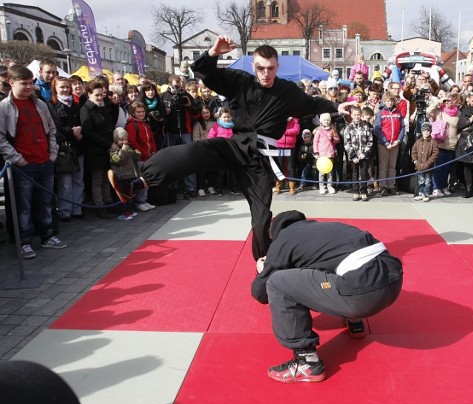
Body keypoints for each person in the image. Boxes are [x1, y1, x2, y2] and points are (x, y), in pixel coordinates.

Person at [110, 36, 337, 260]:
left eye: (270, 68)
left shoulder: (287, 91)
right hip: (235, 145)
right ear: (253, 66)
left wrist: (338, 106)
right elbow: (205, 73)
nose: (265, 73)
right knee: (193, 151)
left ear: (277, 66)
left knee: (261, 215)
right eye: (260, 68)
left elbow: (312, 104)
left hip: (259, 158)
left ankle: (263, 262)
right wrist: (213, 53)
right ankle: (136, 184)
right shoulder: (240, 81)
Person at [251, 210, 403, 383]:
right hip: (393, 281)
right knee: (325, 270)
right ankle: (355, 321)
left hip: (362, 293)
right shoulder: (324, 230)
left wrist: (262, 269)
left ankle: (307, 362)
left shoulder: (284, 238)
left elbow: (260, 292)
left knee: (277, 282)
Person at [0, 65, 67, 258]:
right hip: (22, 165)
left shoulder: (40, 104)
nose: (29, 87)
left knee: (45, 202)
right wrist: (17, 159)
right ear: (11, 83)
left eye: (31, 83)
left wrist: (52, 154)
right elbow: (1, 138)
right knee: (24, 206)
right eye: (24, 84)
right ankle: (25, 241)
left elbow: (51, 131)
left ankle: (48, 235)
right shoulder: (4, 107)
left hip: (44, 161)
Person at [47, 76, 85, 221]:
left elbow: (83, 121)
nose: (65, 90)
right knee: (65, 183)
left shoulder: (75, 105)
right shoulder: (51, 105)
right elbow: (55, 127)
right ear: (55, 88)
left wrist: (81, 131)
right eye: (61, 87)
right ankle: (65, 211)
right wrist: (71, 131)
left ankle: (77, 208)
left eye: (67, 87)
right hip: (64, 148)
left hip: (78, 146)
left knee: (78, 180)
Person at [81, 80, 116, 220]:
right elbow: (89, 132)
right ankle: (100, 206)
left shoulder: (103, 106)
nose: (100, 97)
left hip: (106, 148)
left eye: (102, 94)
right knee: (97, 180)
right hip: (95, 150)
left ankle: (108, 203)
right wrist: (109, 143)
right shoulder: (86, 109)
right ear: (89, 94)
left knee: (106, 178)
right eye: (97, 95)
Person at [125, 101, 156, 211]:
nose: (141, 114)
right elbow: (133, 143)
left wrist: (153, 151)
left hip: (148, 157)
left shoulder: (146, 124)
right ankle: (139, 202)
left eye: (143, 112)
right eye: (138, 112)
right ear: (133, 113)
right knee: (141, 180)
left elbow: (151, 140)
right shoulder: (131, 125)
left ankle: (144, 200)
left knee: (146, 180)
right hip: (140, 158)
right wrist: (144, 152)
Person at [374, 92, 405, 196]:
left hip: (395, 143)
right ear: (384, 102)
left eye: (391, 101)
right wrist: (385, 142)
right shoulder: (381, 113)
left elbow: (402, 127)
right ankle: (383, 186)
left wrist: (399, 140)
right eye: (388, 101)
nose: (390, 103)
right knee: (383, 166)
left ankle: (391, 185)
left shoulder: (398, 113)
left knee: (392, 166)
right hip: (383, 144)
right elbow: (377, 129)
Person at [108, 128, 141, 221]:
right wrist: (123, 150)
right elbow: (119, 161)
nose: (124, 142)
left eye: (126, 139)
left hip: (130, 175)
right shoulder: (113, 151)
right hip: (121, 177)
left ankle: (129, 211)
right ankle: (122, 213)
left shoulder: (127, 148)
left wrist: (136, 154)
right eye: (121, 140)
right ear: (116, 140)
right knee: (122, 197)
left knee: (130, 195)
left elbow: (135, 159)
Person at [344, 105, 373, 201]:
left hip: (364, 155)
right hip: (354, 156)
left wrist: (364, 153)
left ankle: (363, 191)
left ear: (361, 115)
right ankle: (356, 191)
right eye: (355, 115)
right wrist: (353, 156)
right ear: (351, 115)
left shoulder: (366, 127)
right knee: (355, 174)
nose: (357, 116)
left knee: (364, 174)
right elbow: (347, 143)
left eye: (359, 115)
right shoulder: (348, 128)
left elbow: (370, 141)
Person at [192, 106, 217, 196]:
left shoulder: (214, 123)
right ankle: (201, 188)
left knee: (213, 168)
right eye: (203, 113)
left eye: (207, 112)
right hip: (202, 149)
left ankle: (210, 186)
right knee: (202, 170)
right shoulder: (197, 124)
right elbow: (196, 138)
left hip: (213, 148)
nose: (206, 114)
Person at [412, 122, 439, 202]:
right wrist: (416, 162)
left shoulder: (433, 142)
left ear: (430, 131)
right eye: (424, 131)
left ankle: (426, 193)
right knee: (420, 180)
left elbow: (435, 154)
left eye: (427, 131)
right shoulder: (418, 142)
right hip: (419, 166)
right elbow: (414, 152)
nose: (426, 132)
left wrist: (427, 163)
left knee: (428, 181)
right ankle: (420, 193)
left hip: (428, 167)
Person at [313, 112, 340, 195]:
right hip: (321, 154)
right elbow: (315, 142)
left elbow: (337, 140)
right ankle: (322, 186)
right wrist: (316, 152)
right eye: (324, 120)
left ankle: (330, 186)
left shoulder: (332, 130)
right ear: (321, 121)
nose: (326, 121)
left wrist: (333, 139)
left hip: (330, 153)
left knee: (330, 171)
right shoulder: (319, 131)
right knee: (321, 172)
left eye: (328, 120)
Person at [274, 117, 300, 195]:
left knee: (290, 167)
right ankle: (278, 186)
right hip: (280, 146)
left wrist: (284, 131)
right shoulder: (279, 119)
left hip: (290, 146)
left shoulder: (295, 120)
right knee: (279, 166)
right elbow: (276, 129)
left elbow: (296, 131)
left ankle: (292, 187)